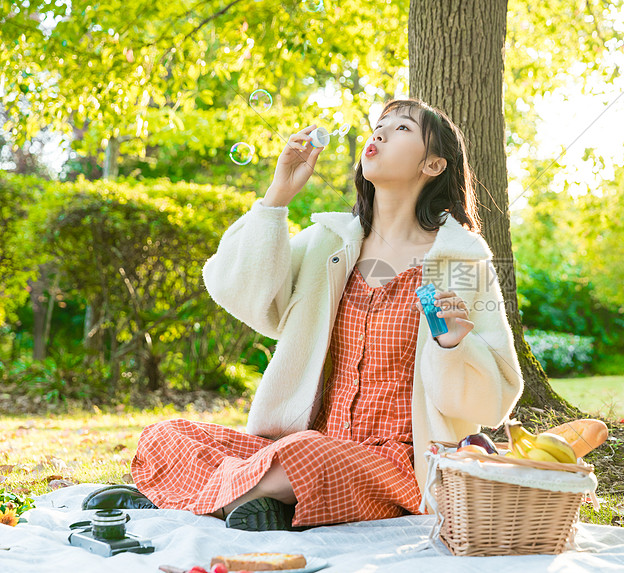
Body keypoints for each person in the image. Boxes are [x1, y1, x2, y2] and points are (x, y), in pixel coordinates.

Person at [101, 99, 523, 531]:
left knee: (306, 455)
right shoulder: (329, 242)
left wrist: (453, 344)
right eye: (379, 125)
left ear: (433, 165)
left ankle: (182, 497)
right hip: (299, 443)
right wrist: (277, 196)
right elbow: (239, 290)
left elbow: (495, 399)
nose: (378, 133)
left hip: (394, 464)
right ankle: (249, 499)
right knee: (168, 434)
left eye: (401, 129)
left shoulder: (460, 261)